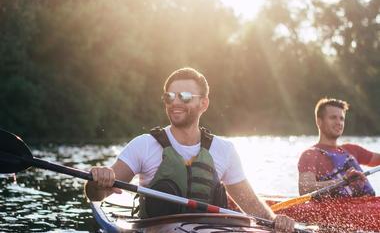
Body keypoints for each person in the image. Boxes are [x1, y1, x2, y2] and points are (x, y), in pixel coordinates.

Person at [84, 67, 295, 232]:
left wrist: (276, 221)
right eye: (169, 97)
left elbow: (254, 209)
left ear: (204, 103)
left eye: (184, 96)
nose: (175, 102)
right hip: (155, 229)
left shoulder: (224, 150)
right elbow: (96, 194)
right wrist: (99, 179)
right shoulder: (144, 145)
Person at [298, 98, 380, 197]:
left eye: (341, 118)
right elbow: (305, 189)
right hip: (337, 209)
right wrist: (343, 180)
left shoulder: (352, 149)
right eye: (333, 117)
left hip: (368, 205)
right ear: (319, 121)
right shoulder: (310, 154)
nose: (339, 122)